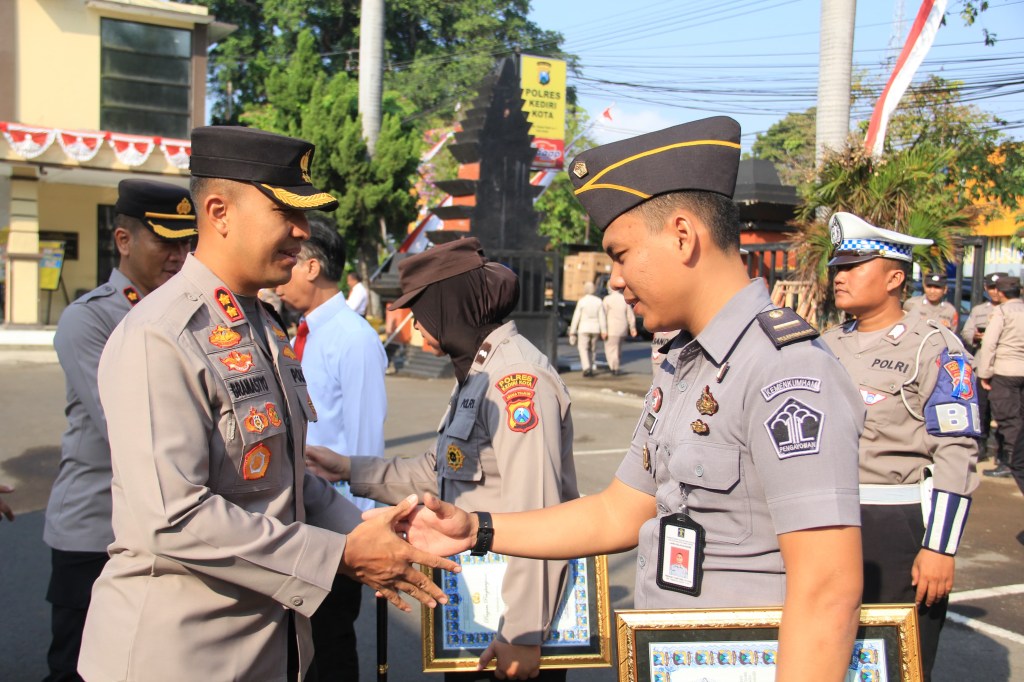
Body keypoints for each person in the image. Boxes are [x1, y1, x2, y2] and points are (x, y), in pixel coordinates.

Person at [393, 117, 866, 681]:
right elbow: (616, 511)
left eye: (620, 254)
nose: (613, 279)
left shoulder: (786, 369)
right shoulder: (682, 366)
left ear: (683, 236)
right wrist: (476, 529)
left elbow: (827, 589)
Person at [78, 126, 457, 682]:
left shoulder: (263, 327)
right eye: (286, 212)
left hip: (271, 649)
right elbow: (174, 518)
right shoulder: (160, 336)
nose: (302, 233)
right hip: (181, 658)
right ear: (218, 211)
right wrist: (340, 556)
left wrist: (373, 533)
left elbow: (286, 483)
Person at [305, 237, 579, 682]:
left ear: (450, 305)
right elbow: (435, 474)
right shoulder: (478, 372)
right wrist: (348, 468)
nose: (415, 327)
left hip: (512, 620)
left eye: (421, 312)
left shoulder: (516, 381)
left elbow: (540, 509)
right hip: (478, 607)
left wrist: (525, 632)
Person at [44, 179, 196, 682]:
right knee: (79, 668)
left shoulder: (192, 317)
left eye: (185, 242)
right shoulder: (90, 320)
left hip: (168, 530)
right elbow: (126, 428)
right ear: (124, 241)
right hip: (96, 531)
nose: (178, 256)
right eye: (165, 242)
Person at [822, 212, 980, 681]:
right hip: (824, 521)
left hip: (892, 523)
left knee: (895, 661)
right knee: (828, 654)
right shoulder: (823, 344)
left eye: (854, 266)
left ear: (895, 277)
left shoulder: (933, 348)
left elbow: (956, 452)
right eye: (837, 268)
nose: (840, 277)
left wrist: (940, 548)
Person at [276, 213, 389, 681]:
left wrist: (364, 534)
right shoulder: (301, 332)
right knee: (299, 647)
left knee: (330, 645)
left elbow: (365, 445)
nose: (279, 276)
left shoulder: (353, 337)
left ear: (311, 266)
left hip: (338, 526)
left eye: (288, 260)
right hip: (299, 518)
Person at [975, 275, 1024, 488]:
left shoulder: (1001, 312)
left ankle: (1012, 463)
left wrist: (985, 373)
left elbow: (989, 345)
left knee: (1008, 420)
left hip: (1005, 371)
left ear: (1001, 293)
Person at [959, 272, 1010, 464]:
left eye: (998, 288)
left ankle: (1004, 453)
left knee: (1005, 412)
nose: (995, 292)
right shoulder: (980, 309)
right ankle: (980, 447)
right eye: (991, 288)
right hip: (982, 365)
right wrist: (977, 336)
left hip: (1004, 369)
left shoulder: (1013, 309)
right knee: (981, 410)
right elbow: (967, 331)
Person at [568, 281, 607, 377]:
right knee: (592, 349)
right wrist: (604, 330)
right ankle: (591, 364)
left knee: (583, 348)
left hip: (584, 328)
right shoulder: (598, 301)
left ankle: (586, 368)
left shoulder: (582, 301)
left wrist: (572, 330)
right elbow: (602, 316)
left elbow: (576, 317)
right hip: (596, 328)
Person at [602, 288, 637, 375]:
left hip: (611, 328)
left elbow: (603, 315)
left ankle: (614, 367)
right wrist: (632, 328)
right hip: (623, 328)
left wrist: (603, 329)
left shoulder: (607, 299)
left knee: (610, 349)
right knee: (618, 349)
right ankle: (616, 365)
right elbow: (630, 315)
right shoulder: (623, 299)